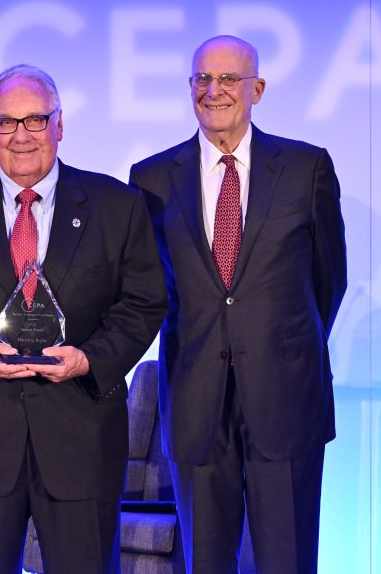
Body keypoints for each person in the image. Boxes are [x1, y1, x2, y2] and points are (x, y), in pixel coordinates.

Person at [0, 64, 167, 574]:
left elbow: (144, 301)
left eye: (35, 120)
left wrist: (90, 360)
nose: (21, 136)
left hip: (81, 434)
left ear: (60, 124)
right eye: (6, 122)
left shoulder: (117, 206)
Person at [129, 35, 347, 574]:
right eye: (202, 78)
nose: (214, 90)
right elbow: (148, 287)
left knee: (286, 559)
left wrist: (280, 343)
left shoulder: (305, 168)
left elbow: (329, 280)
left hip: (287, 394)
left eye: (229, 78)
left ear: (258, 88)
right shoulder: (151, 178)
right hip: (196, 396)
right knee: (206, 561)